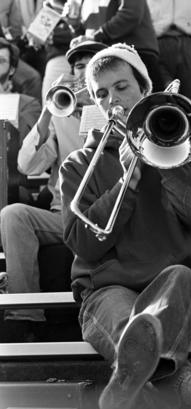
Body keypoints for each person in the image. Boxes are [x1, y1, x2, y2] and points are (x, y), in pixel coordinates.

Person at [59, 42, 191, 409]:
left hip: (178, 284)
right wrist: (125, 184)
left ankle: (128, 390)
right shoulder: (77, 165)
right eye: (100, 94)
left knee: (178, 276)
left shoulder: (185, 145)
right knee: (133, 331)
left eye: (121, 87)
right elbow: (85, 244)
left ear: (145, 89)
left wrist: (166, 163)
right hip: (106, 289)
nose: (111, 100)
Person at [0, 36, 108, 343]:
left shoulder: (122, 110)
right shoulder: (60, 114)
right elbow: (27, 166)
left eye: (91, 67)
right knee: (13, 215)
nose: (83, 73)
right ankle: (25, 316)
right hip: (65, 216)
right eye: (78, 68)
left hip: (111, 215)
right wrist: (49, 112)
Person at [72, 0, 165, 92]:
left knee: (150, 104)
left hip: (134, 54)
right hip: (101, 59)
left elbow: (131, 14)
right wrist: (74, 25)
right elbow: (88, 30)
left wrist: (95, 37)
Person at [0, 37, 41, 204]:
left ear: (11, 70)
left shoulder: (27, 104)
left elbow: (29, 150)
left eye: (1, 61)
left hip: (11, 186)